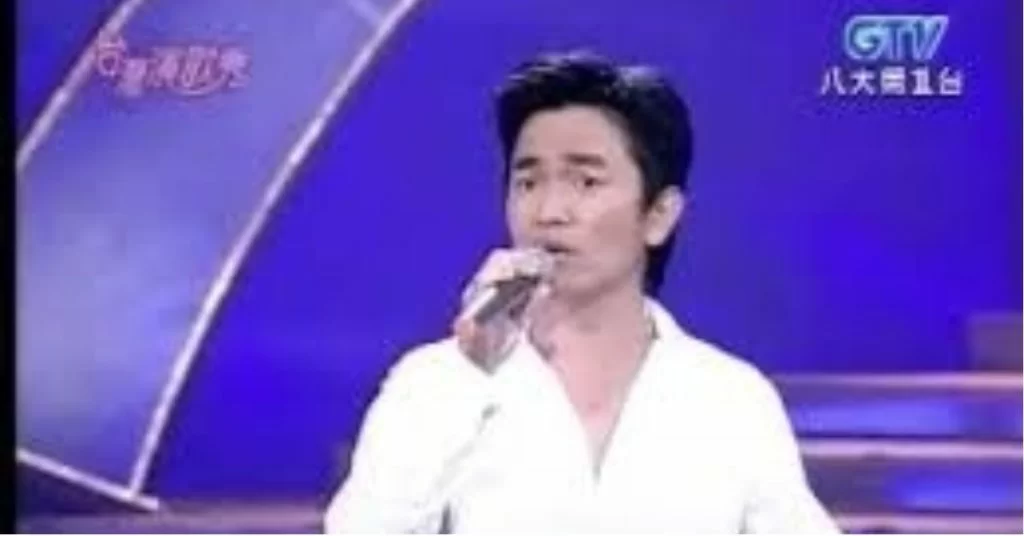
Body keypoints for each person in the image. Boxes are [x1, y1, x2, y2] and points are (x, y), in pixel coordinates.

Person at [323, 50, 837, 533]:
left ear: (659, 214)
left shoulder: (729, 400)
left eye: (586, 182)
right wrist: (469, 371)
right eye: (528, 183)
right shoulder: (432, 384)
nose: (549, 212)